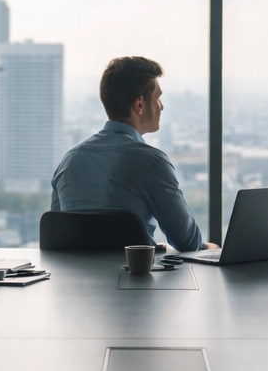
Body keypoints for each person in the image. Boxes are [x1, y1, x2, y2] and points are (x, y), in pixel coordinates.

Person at [50, 56, 213, 253]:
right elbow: (186, 241)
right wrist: (205, 247)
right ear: (140, 105)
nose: (162, 106)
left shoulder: (69, 160)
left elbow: (56, 238)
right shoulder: (151, 162)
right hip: (134, 278)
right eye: (157, 98)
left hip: (72, 281)